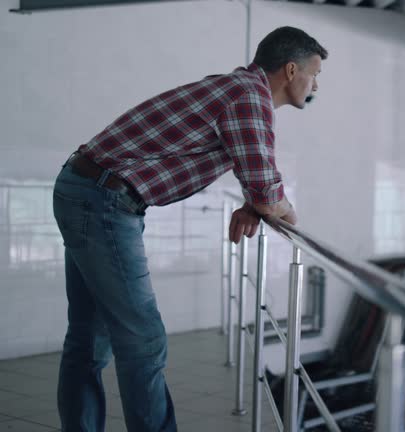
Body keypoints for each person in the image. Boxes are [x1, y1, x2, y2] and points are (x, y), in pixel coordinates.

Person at [52, 26, 327, 431]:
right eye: (315, 73)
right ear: (290, 70)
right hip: (102, 199)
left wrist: (258, 200)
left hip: (87, 188)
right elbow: (269, 193)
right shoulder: (248, 96)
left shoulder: (238, 90)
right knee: (142, 341)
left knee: (89, 339)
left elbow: (256, 176)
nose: (316, 84)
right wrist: (272, 204)